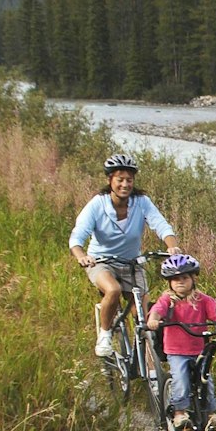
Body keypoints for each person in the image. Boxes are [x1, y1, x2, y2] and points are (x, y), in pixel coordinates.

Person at [68, 153, 181, 359]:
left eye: (129, 180)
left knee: (146, 318)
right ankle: (105, 334)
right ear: (109, 180)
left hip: (132, 262)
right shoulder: (97, 204)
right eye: (120, 179)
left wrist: (172, 246)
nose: (125, 184)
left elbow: (160, 224)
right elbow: (77, 236)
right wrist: (81, 255)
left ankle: (151, 371)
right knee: (113, 289)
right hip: (101, 261)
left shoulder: (141, 201)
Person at [144, 253, 216, 431]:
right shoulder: (167, 300)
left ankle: (210, 413)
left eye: (184, 278)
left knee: (206, 380)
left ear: (193, 278)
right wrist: (153, 320)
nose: (180, 282)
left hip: (199, 349)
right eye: (175, 279)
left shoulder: (202, 300)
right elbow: (156, 311)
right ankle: (179, 412)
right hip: (177, 351)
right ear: (169, 282)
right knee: (181, 380)